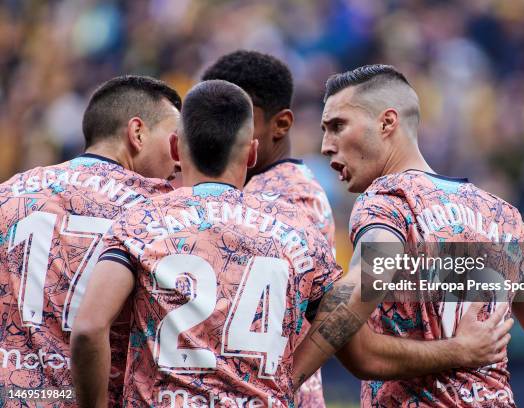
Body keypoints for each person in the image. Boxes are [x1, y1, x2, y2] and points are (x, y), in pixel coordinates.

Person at [292, 65, 524, 408]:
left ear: (387, 123)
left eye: (338, 126)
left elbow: (366, 283)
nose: (326, 146)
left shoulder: (388, 202)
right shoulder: (503, 216)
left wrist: (288, 379)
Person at [70, 80, 342, 408]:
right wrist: (292, 375)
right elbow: (345, 314)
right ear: (252, 153)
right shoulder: (298, 228)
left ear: (175, 148)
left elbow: (88, 327)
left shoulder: (140, 221)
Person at [0, 75, 182, 407]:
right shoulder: (155, 211)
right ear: (137, 132)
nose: (180, 158)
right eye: (174, 141)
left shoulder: (10, 191)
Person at [201, 49, 334, 408]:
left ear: (281, 124)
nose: (225, 134)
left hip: (277, 393)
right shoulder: (249, 188)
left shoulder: (291, 197)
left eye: (241, 120)